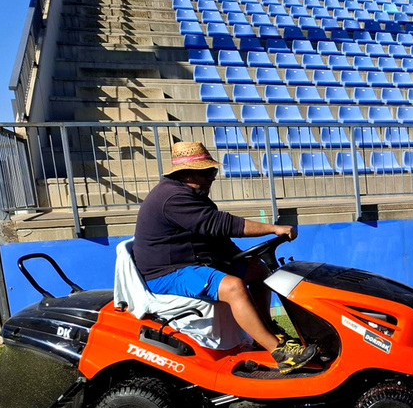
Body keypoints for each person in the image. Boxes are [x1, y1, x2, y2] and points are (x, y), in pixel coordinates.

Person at [132, 141, 317, 374]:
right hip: (168, 273)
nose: (213, 177)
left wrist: (240, 257)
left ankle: (265, 333)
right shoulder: (173, 198)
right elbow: (220, 224)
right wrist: (273, 228)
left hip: (192, 262)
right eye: (208, 172)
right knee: (233, 287)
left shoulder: (191, 194)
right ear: (189, 173)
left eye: (213, 171)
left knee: (257, 270)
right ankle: (281, 354)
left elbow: (215, 237)